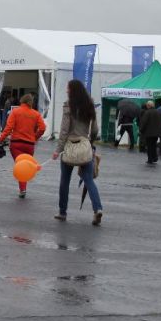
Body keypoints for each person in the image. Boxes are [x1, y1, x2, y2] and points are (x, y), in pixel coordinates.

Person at [52, 79, 103, 225]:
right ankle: (97, 209)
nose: (66, 90)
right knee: (88, 179)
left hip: (69, 146)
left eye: (68, 88)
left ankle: (62, 212)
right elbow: (95, 129)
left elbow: (64, 130)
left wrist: (58, 150)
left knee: (65, 181)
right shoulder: (89, 105)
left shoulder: (68, 106)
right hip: (84, 145)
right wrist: (90, 143)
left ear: (72, 90)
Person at [0, 94, 46, 198]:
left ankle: (23, 189)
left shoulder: (15, 112)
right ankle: (23, 189)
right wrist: (35, 137)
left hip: (16, 144)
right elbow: (42, 128)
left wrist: (0, 140)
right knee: (25, 166)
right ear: (31, 102)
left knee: (20, 165)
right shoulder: (36, 114)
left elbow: (8, 128)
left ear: (21, 101)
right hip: (29, 145)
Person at [139, 100, 161, 165]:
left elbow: (144, 122)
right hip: (156, 133)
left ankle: (150, 159)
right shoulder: (158, 112)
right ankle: (155, 157)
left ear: (149, 105)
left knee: (149, 146)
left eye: (147, 105)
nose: (146, 106)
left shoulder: (147, 112)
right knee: (154, 145)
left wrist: (141, 130)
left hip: (148, 133)